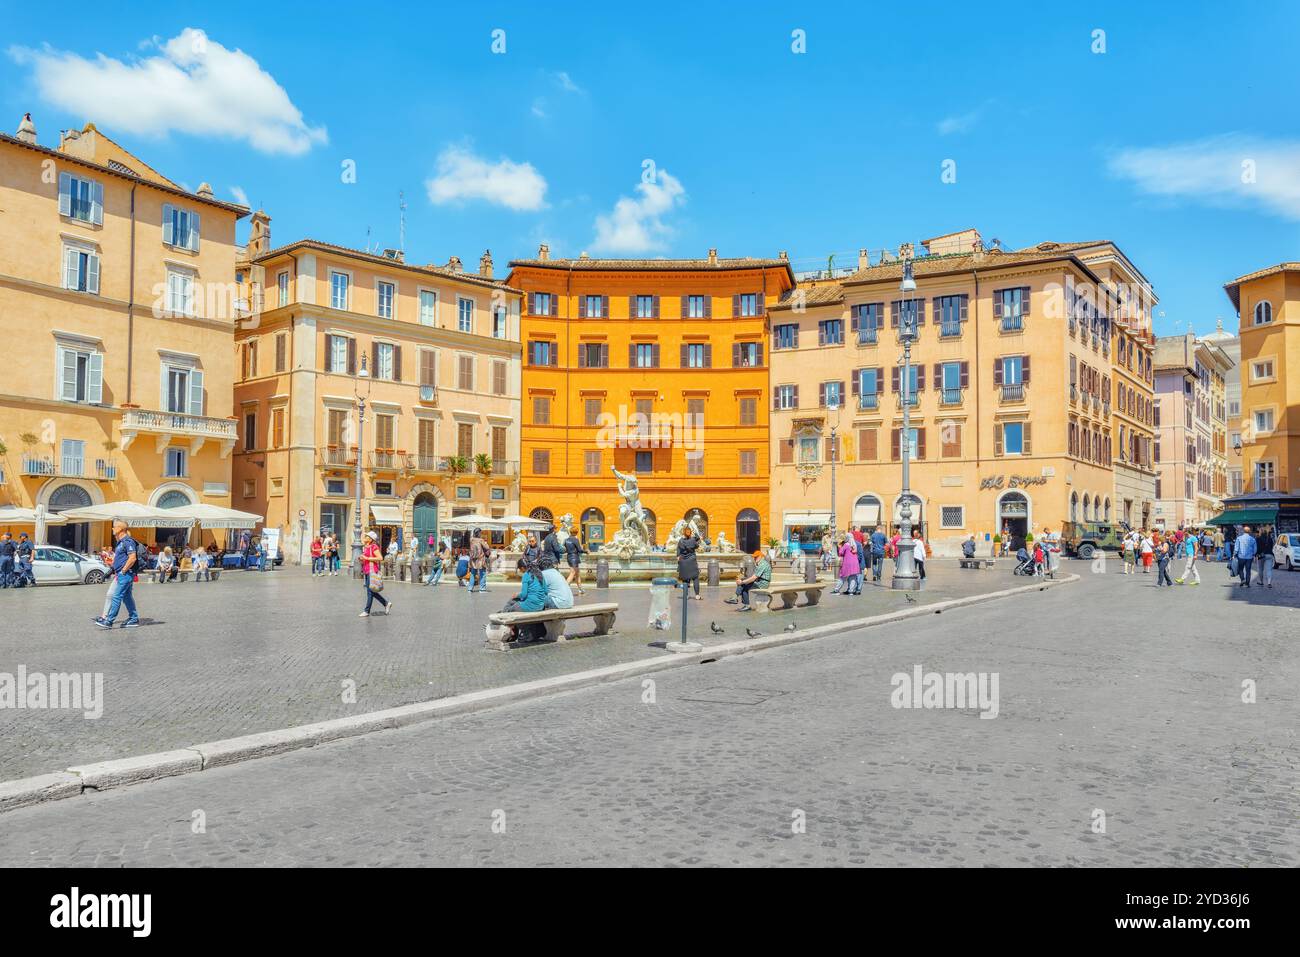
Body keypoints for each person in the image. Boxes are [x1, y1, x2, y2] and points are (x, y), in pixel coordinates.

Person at [94, 519, 141, 629]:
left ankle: (109, 621)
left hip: (125, 574)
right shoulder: (120, 542)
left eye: (114, 526)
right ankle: (133, 619)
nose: (112, 528)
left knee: (116, 596)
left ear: (120, 529)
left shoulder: (128, 541)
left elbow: (132, 558)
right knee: (127, 597)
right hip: (122, 574)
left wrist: (123, 570)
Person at [359, 530, 391, 617]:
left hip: (372, 571)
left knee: (370, 592)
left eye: (366, 537)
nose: (365, 538)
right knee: (371, 591)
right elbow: (367, 558)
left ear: (370, 539)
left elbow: (380, 558)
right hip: (366, 570)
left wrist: (367, 558)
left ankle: (366, 611)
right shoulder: (366, 547)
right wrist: (362, 559)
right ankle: (386, 603)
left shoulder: (374, 547)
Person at [676, 524, 702, 600]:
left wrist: (679, 558)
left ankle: (686, 595)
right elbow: (697, 542)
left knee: (685, 579)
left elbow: (678, 551)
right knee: (695, 578)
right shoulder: (693, 540)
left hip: (683, 561)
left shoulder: (680, 541)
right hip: (692, 561)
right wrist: (694, 533)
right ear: (690, 533)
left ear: (683, 533)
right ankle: (697, 595)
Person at [469, 528, 491, 593]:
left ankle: (470, 588)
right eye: (480, 533)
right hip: (480, 559)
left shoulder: (471, 540)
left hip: (473, 559)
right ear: (478, 533)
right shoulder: (481, 540)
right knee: (483, 573)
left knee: (473, 574)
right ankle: (482, 589)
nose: (481, 534)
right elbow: (487, 547)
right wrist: (486, 543)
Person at [564, 530, 586, 596]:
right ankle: (564, 587)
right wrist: (586, 551)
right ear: (576, 532)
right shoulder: (575, 540)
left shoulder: (566, 540)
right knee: (573, 573)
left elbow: (564, 549)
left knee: (577, 573)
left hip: (569, 556)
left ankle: (580, 588)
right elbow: (580, 550)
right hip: (574, 557)